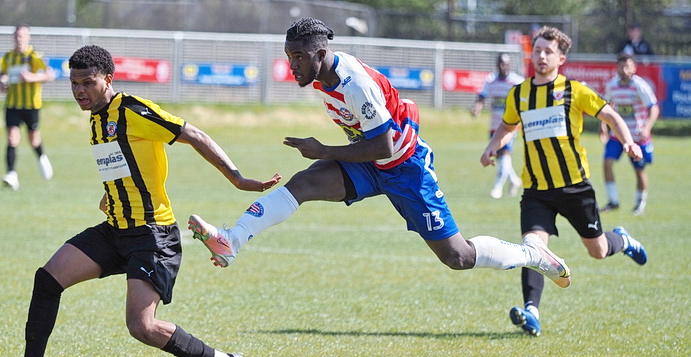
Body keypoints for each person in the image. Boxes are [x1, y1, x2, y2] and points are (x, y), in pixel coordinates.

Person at [188, 17, 573, 313]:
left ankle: (531, 255)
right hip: (368, 160)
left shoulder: (353, 83)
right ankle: (231, 241)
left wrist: (324, 149)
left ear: (320, 54)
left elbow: (386, 143)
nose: (292, 66)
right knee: (303, 184)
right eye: (289, 57)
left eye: (299, 57)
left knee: (458, 257)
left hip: (405, 167)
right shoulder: (322, 77)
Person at [0, 45, 281, 357]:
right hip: (115, 229)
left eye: (87, 82)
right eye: (74, 83)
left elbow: (194, 134)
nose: (79, 91)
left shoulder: (132, 110)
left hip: (152, 235)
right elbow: (123, 165)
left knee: (142, 327)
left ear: (108, 79)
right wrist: (111, 196)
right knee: (48, 279)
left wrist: (237, 179)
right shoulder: (96, 118)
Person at [480, 26, 648, 336]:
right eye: (538, 50)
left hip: (575, 188)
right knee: (533, 249)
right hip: (537, 191)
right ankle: (532, 312)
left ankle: (622, 239)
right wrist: (491, 147)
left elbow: (611, 116)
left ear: (561, 58)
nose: (541, 56)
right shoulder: (519, 93)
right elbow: (507, 126)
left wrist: (627, 141)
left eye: (548, 52)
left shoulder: (574, 90)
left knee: (597, 250)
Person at [600, 54, 659, 215]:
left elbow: (653, 108)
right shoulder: (612, 85)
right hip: (617, 134)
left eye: (628, 66)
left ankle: (640, 202)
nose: (624, 70)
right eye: (621, 66)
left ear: (634, 68)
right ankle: (613, 201)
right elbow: (606, 106)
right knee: (607, 163)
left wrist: (647, 127)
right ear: (617, 68)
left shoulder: (640, 85)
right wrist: (603, 125)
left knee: (639, 169)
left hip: (637, 136)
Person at [0, 24, 55, 190]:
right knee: (12, 138)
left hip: (31, 105)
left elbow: (49, 75)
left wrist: (31, 77)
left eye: (22, 35)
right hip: (12, 104)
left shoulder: (35, 57)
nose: (19, 38)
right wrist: (1, 82)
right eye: (16, 35)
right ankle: (11, 174)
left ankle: (42, 157)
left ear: (28, 37)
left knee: (33, 139)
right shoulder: (8, 57)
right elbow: (2, 74)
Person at [471, 53, 524, 199]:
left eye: (506, 63)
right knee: (500, 156)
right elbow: (482, 96)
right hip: (495, 124)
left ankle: (497, 187)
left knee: (505, 154)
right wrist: (477, 107)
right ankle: (514, 180)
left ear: (510, 65)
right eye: (501, 63)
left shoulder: (517, 81)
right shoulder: (491, 80)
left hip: (511, 125)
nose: (503, 66)